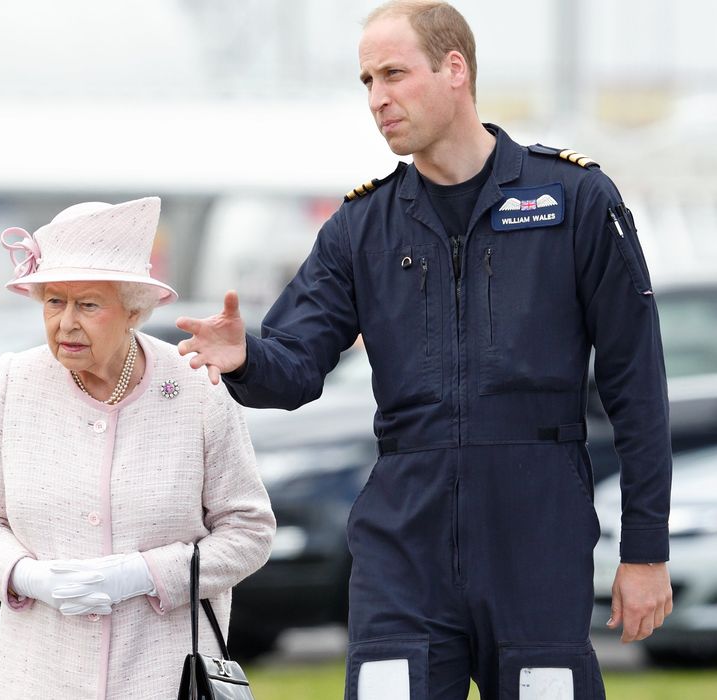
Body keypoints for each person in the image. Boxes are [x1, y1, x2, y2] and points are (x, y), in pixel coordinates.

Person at [178, 2, 672, 697]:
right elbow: (292, 369)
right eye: (366, 81)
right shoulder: (360, 227)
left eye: (393, 74)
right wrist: (246, 358)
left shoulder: (574, 200)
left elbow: (637, 387)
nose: (377, 99)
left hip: (535, 535)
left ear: (454, 70)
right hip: (402, 544)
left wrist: (644, 550)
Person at [0, 196, 275, 700]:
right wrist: (27, 576)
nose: (66, 323)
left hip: (162, 676)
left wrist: (143, 575)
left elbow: (249, 532)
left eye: (88, 304)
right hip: (40, 677)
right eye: (54, 301)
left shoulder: (196, 387)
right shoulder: (16, 380)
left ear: (133, 311)